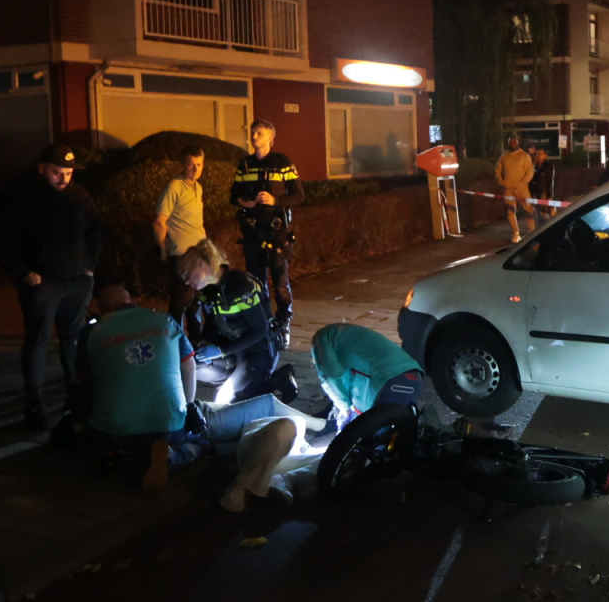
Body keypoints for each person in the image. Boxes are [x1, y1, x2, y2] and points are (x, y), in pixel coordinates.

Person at [80, 285, 298, 505]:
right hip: (170, 425)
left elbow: (83, 382)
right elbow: (189, 366)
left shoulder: (93, 332)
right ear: (134, 300)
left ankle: (128, 456)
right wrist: (185, 407)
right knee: (203, 441)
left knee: (123, 444)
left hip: (113, 431)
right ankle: (173, 455)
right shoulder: (164, 320)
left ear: (101, 307)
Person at [0, 143, 102, 431]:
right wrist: (23, 273)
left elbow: (96, 230)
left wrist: (90, 267)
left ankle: (75, 401)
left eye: (67, 172)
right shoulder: (24, 197)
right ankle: (34, 405)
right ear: (42, 169)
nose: (63, 178)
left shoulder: (80, 195)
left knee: (73, 341)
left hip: (77, 281)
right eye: (57, 172)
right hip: (43, 284)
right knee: (38, 341)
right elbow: (2, 240)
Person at [176, 239, 279, 404]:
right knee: (194, 366)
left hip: (257, 351)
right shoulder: (207, 290)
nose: (187, 282)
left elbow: (260, 329)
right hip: (231, 349)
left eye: (187, 274)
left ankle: (273, 383)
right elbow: (211, 322)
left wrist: (221, 350)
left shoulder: (240, 285)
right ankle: (241, 382)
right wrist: (205, 343)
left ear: (201, 264)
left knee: (227, 402)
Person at [230, 119, 304, 345]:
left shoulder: (282, 163)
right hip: (252, 232)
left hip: (277, 232)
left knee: (280, 279)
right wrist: (244, 201)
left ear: (271, 138)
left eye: (259, 133)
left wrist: (276, 200)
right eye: (253, 133)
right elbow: (233, 196)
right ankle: (263, 321)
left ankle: (283, 322)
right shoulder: (244, 165)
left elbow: (299, 195)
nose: (254, 137)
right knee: (256, 281)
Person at [309, 323, 425, 440]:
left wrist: (345, 409)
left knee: (370, 441)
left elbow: (330, 375)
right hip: (414, 378)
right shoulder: (345, 334)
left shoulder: (322, 338)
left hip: (387, 379)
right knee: (396, 440)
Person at [152, 145, 207, 321]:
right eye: (191, 164)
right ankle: (173, 340)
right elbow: (160, 222)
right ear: (183, 165)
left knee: (196, 302)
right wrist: (163, 250)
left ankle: (194, 343)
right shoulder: (174, 187)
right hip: (182, 253)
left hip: (199, 253)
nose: (196, 169)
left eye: (199, 164)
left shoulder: (198, 187)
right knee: (180, 302)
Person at [496, 134, 537, 243]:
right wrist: (501, 183)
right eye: (511, 141)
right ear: (508, 143)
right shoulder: (504, 156)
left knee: (528, 209)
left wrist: (523, 182)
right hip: (508, 188)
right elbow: (497, 170)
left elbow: (530, 171)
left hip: (521, 189)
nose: (513, 143)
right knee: (510, 211)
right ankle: (516, 233)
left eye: (515, 141)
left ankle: (533, 231)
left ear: (518, 143)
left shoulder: (524, 156)